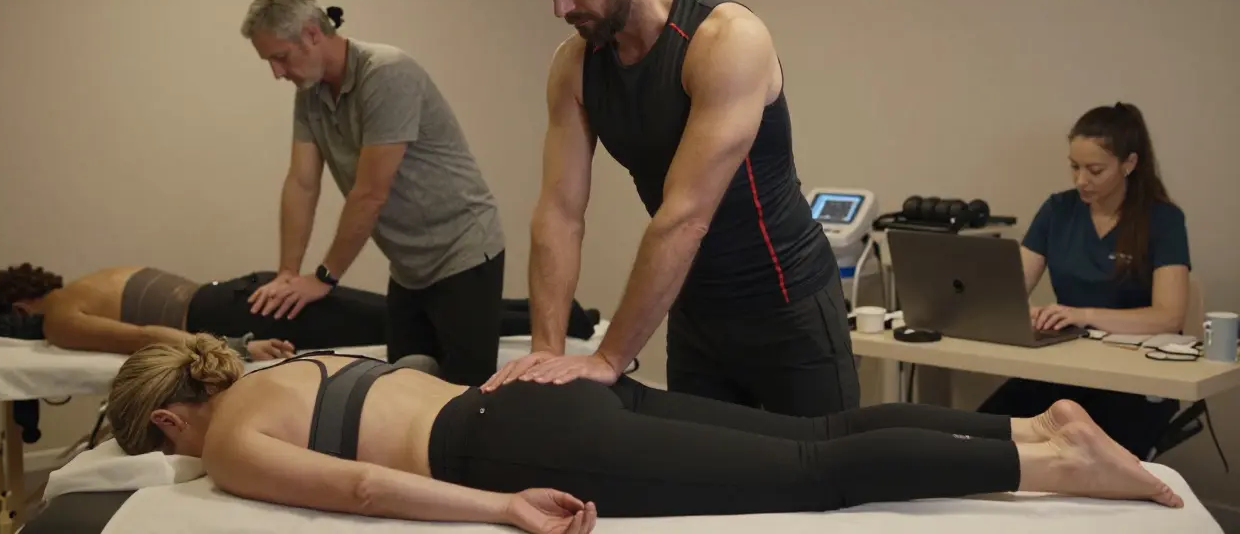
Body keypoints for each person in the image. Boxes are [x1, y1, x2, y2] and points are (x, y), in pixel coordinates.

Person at [103, 335, 1182, 534]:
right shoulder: (294, 363)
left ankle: (1048, 461)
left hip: (513, 449)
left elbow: (362, 495)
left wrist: (501, 508)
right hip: (534, 397)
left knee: (809, 474)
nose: (191, 467)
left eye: (171, 453)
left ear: (165, 419)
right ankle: (1029, 423)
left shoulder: (233, 432)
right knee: (820, 422)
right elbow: (413, 389)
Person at [483, 0, 857, 416]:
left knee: (829, 488)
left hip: (788, 308)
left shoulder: (725, 40)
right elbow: (560, 213)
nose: (560, 9)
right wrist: (547, 352)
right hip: (694, 314)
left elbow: (684, 217)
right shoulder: (575, 67)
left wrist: (609, 358)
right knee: (704, 491)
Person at [238, 0, 507, 386]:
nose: (277, 73)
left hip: (463, 251)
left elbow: (370, 193)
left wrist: (324, 277)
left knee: (464, 398)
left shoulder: (386, 73)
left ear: (312, 34)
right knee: (401, 389)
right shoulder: (310, 96)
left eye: (280, 58)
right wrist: (288, 274)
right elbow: (302, 183)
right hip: (408, 266)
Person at [979, 102, 1191, 460]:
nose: (1081, 181)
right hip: (1065, 371)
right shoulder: (1058, 210)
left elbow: (1168, 316)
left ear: (1129, 164)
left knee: (1083, 463)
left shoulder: (1162, 220)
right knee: (978, 438)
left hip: (1132, 382)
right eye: (1074, 167)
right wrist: (1021, 312)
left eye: (1095, 170)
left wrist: (1083, 314)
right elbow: (1010, 292)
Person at [0, 264, 388, 360]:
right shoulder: (92, 281)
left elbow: (145, 337)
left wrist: (238, 348)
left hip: (242, 315)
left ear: (20, 308)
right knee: (393, 317)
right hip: (248, 293)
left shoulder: (60, 318)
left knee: (395, 322)